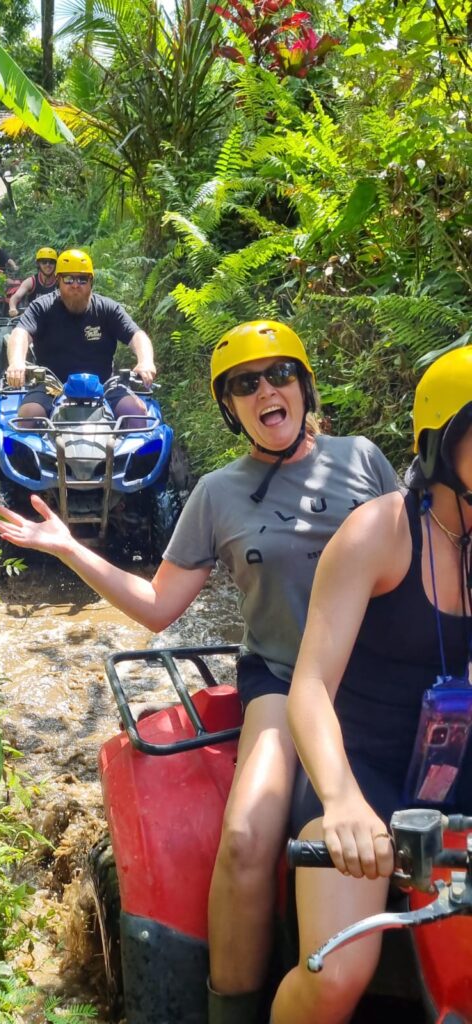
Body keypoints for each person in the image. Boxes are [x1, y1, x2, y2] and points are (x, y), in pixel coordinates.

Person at [0, 319, 398, 1024]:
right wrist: (71, 549)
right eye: (245, 384)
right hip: (283, 678)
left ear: (304, 385)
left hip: (381, 677)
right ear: (230, 407)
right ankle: (229, 1010)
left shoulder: (363, 459)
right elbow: (157, 606)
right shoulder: (217, 493)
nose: (266, 389)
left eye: (279, 375)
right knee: (244, 839)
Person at [278, 347, 472, 1024]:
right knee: (335, 973)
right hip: (362, 772)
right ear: (442, 442)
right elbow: (308, 687)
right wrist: (343, 803)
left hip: (458, 773)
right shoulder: (379, 533)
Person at [5, 247, 156, 424]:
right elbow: (20, 333)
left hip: (104, 385)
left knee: (136, 412)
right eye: (68, 279)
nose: (75, 284)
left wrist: (145, 361)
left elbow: (137, 335)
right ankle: (34, 453)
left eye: (82, 279)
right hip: (51, 385)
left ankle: (128, 452)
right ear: (58, 281)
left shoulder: (107, 308)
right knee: (29, 415)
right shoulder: (41, 307)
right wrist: (16, 363)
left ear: (91, 282)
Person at [7, 246, 58, 316]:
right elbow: (16, 296)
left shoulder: (60, 282)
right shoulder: (31, 281)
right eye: (44, 262)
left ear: (55, 264)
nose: (48, 265)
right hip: (34, 320)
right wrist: (12, 308)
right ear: (38, 264)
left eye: (51, 262)